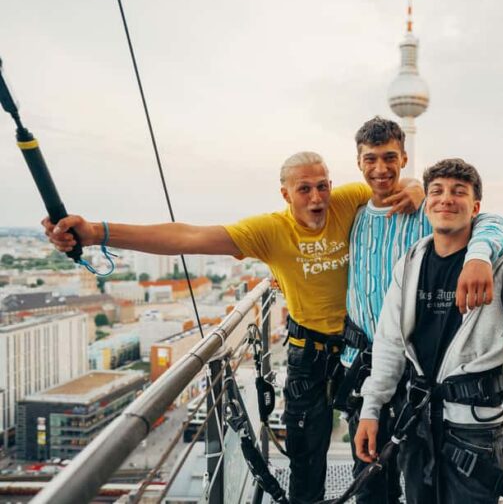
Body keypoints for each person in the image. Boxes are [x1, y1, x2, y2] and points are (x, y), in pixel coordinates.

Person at [42, 151, 425, 504]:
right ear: (286, 194)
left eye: (322, 185)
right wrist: (97, 232)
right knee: (305, 465)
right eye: (304, 189)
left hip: (356, 355)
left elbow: (397, 184)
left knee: (372, 462)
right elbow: (186, 236)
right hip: (308, 356)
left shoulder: (347, 199)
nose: (316, 198)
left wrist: (416, 187)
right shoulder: (269, 231)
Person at [353, 158, 503, 504]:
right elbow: (389, 343)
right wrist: (371, 409)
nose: (446, 198)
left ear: (475, 207)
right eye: (437, 191)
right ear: (427, 205)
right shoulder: (411, 261)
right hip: (416, 425)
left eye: (458, 192)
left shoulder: (502, 265)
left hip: (473, 434)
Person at [337, 117, 503, 504]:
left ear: (404, 159)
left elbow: (492, 222)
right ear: (359, 163)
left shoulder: (429, 210)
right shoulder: (351, 211)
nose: (381, 169)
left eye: (389, 158)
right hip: (364, 367)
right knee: (369, 482)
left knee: (419, 473)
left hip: (416, 373)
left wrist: (480, 255)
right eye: (371, 159)